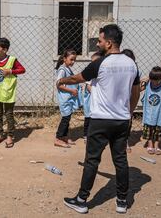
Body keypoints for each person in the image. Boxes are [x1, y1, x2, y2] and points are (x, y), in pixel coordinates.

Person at [60, 24, 140, 214]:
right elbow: (135, 92)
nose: (98, 43)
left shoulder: (101, 63)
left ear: (109, 43)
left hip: (101, 120)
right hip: (122, 121)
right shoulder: (132, 64)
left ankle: (81, 200)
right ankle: (122, 201)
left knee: (92, 160)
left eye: (100, 40)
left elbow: (77, 78)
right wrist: (128, 113)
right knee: (120, 160)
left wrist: (61, 80)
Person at [0, 37, 25, 148]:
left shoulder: (12, 60)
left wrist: (10, 71)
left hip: (8, 92)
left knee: (8, 114)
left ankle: (10, 135)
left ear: (5, 50)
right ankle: (0, 133)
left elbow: (22, 70)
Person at [55, 49, 79, 148]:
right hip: (65, 98)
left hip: (68, 98)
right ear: (64, 59)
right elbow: (58, 84)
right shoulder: (62, 70)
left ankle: (64, 136)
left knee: (67, 117)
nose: (73, 62)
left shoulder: (67, 68)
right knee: (65, 118)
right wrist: (71, 91)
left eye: (74, 60)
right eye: (71, 59)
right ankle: (58, 138)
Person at [81, 52, 101, 143]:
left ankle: (94, 136)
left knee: (96, 120)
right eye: (92, 62)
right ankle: (86, 135)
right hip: (90, 101)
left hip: (97, 102)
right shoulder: (91, 73)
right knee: (88, 118)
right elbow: (89, 87)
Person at [121, 48, 138, 153]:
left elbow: (136, 90)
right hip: (118, 99)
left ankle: (125, 141)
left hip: (128, 99)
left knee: (128, 121)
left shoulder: (134, 69)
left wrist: (132, 108)